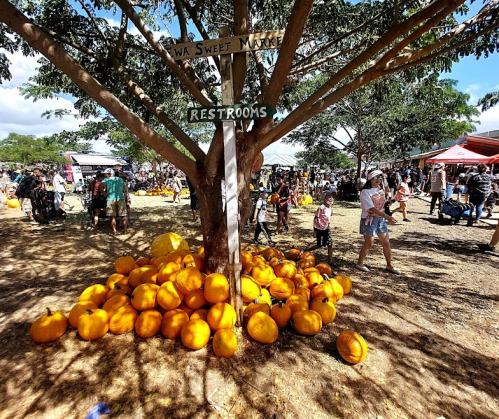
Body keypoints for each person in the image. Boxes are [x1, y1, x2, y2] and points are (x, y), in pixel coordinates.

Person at [356, 170, 400, 274]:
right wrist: (387, 216)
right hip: (370, 219)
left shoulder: (380, 190)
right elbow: (371, 208)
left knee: (386, 242)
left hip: (381, 219)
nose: (378, 180)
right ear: (370, 179)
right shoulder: (365, 192)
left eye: (380, 178)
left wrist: (388, 202)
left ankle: (389, 265)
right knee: (369, 243)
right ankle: (360, 263)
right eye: (375, 178)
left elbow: (382, 204)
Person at [305, 192, 337, 268]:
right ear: (325, 199)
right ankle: (307, 251)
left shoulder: (330, 208)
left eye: (332, 197)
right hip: (319, 228)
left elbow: (328, 217)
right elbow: (315, 218)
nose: (331, 198)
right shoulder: (321, 208)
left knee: (330, 244)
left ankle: (330, 261)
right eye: (329, 197)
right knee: (320, 245)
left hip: (326, 228)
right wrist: (314, 230)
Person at [99, 168, 127, 235]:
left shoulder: (106, 180)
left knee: (112, 216)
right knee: (123, 215)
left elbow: (100, 186)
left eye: (106, 174)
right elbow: (125, 188)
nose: (105, 175)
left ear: (109, 174)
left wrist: (104, 194)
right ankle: (125, 230)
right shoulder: (120, 179)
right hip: (121, 198)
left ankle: (114, 230)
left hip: (111, 198)